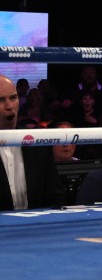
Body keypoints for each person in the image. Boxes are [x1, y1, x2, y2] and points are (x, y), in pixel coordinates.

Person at [0, 75, 66, 210]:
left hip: (35, 227)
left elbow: (55, 196)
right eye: (1, 100)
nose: (9, 106)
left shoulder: (37, 142)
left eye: (13, 98)